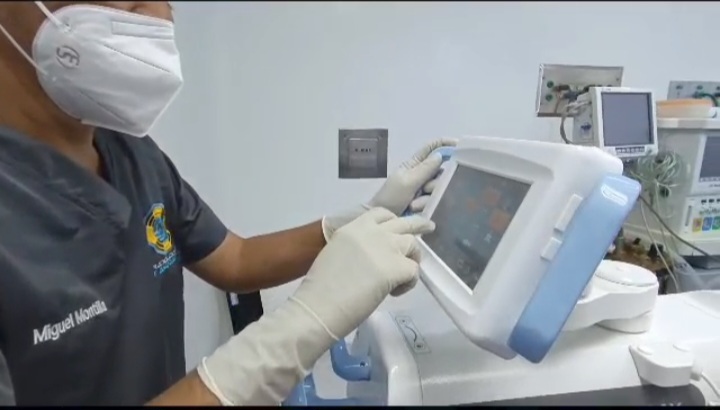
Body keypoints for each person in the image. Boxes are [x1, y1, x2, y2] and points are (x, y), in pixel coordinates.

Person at [0, 1, 457, 406]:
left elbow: (234, 259)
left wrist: (355, 222)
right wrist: (292, 334)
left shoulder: (132, 154)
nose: (158, 15)